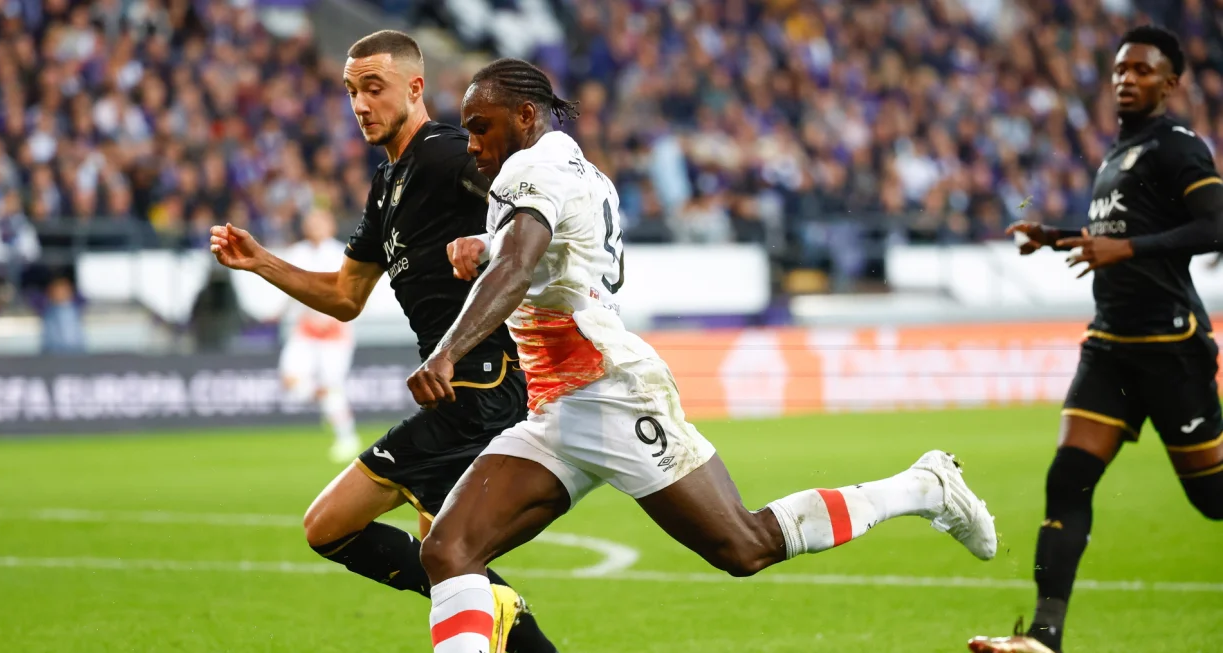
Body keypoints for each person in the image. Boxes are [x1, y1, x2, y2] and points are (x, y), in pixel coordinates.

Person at [409, 57, 998, 653]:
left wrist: (447, 352)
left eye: (481, 126)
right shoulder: (578, 168)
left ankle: (922, 488)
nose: (472, 143)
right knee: (450, 550)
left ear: (524, 115)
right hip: (558, 407)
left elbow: (518, 266)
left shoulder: (529, 168)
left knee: (744, 545)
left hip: (608, 394)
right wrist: (487, 244)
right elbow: (556, 252)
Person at [208, 31, 556, 653]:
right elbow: (346, 296)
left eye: (374, 88)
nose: (361, 104)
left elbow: (539, 206)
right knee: (449, 560)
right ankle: (502, 612)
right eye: (351, 92)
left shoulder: (450, 155)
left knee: (336, 527)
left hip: (486, 382)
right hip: (453, 388)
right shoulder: (388, 183)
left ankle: (496, 606)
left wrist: (490, 244)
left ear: (415, 88)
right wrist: (263, 262)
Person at [970, 26, 1223, 653]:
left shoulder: (1177, 146)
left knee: (1213, 499)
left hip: (1169, 347)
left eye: (1142, 70)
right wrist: (1054, 237)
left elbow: (1215, 226)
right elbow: (1112, 236)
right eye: (1119, 70)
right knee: (1067, 480)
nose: (1126, 79)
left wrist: (1127, 248)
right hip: (1109, 346)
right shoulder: (1117, 155)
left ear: (1170, 83)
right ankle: (1043, 638)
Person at [276, 208, 361, 463]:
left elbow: (354, 292)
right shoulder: (297, 253)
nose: (315, 227)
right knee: (291, 382)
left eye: (320, 222)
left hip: (335, 333)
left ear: (331, 226)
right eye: (311, 222)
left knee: (332, 387)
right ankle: (325, 402)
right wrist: (279, 313)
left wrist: (335, 319)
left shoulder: (341, 254)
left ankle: (347, 437)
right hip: (306, 329)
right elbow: (289, 288)